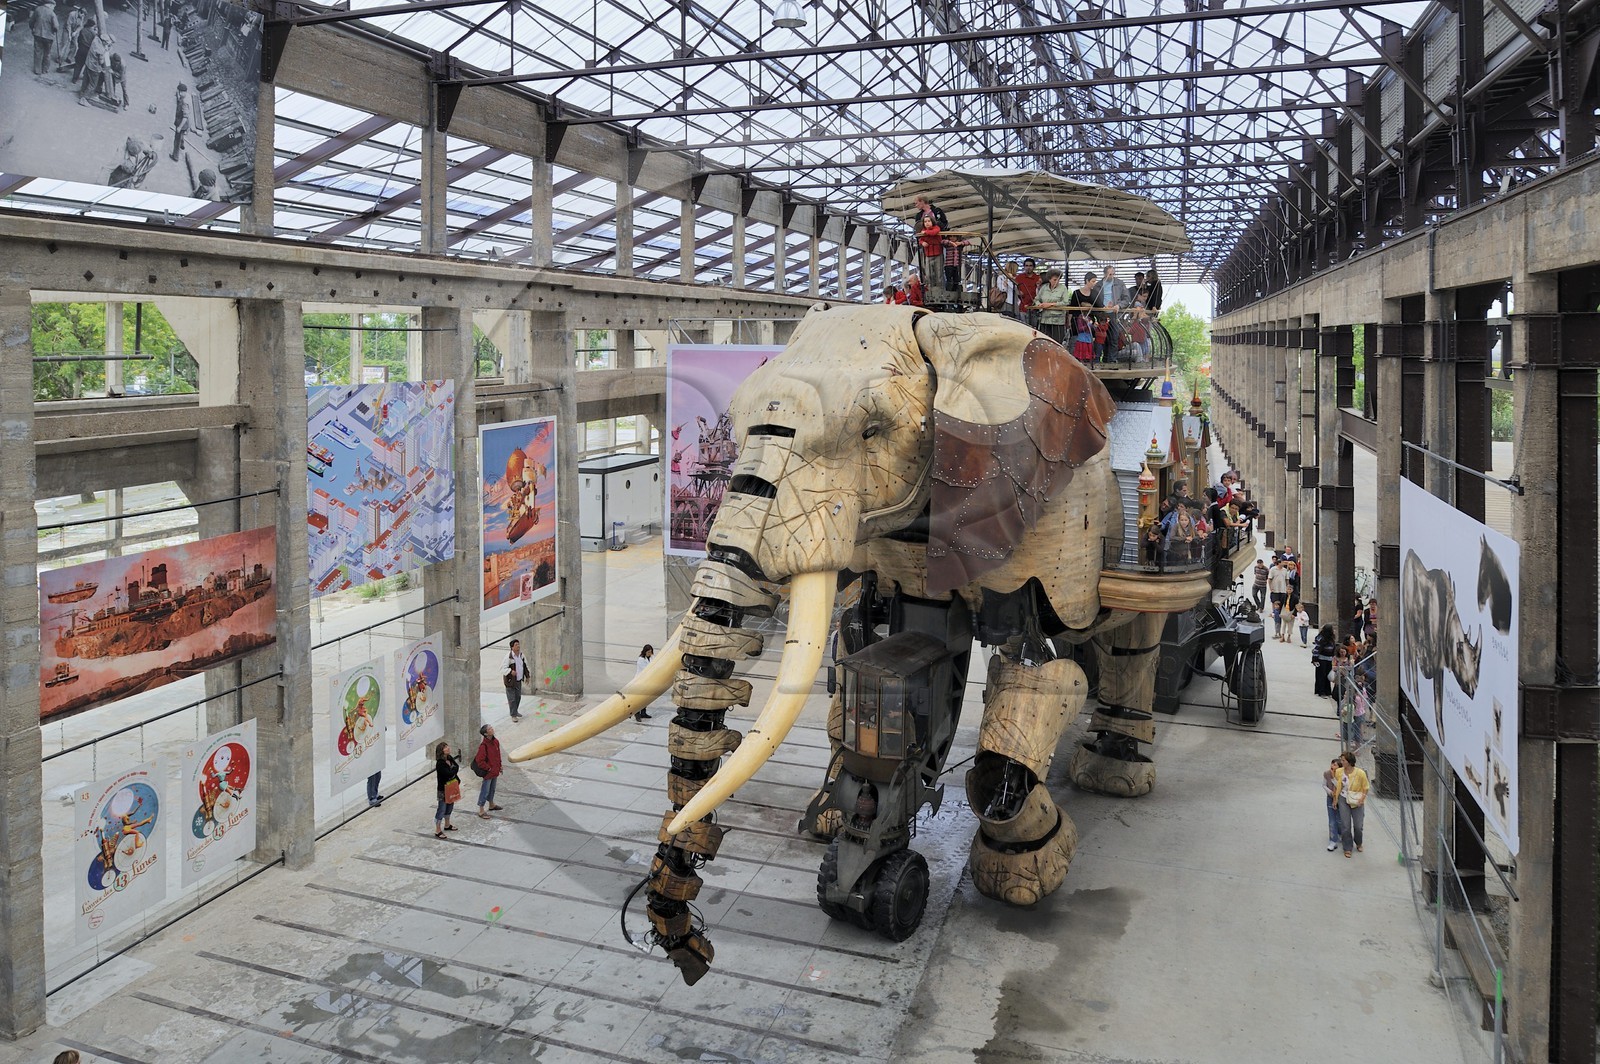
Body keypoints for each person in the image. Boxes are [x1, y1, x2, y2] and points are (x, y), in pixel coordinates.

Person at [1335, 751, 1369, 857]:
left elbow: (1366, 787)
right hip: (1343, 799)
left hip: (1356, 801)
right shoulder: (1339, 772)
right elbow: (1337, 785)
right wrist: (1335, 800)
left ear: (1349, 762)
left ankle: (1358, 842)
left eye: (1343, 760)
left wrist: (1362, 799)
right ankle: (1347, 847)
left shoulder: (1360, 773)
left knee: (1358, 826)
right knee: (1345, 825)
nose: (1341, 762)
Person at [473, 724, 503, 817]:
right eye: (489, 729)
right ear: (486, 733)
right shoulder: (483, 746)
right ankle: (481, 810)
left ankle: (491, 804)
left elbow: (498, 755)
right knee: (485, 790)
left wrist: (500, 766)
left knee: (492, 789)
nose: (492, 729)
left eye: (491, 727)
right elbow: (479, 760)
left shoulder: (496, 741)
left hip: (495, 770)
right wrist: (489, 768)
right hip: (489, 773)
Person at [1034, 269, 1071, 343]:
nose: (1056, 282)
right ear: (1049, 279)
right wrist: (1040, 305)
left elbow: (1065, 302)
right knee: (1044, 342)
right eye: (1054, 280)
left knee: (1056, 342)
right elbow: (1036, 299)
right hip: (1044, 320)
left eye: (1058, 280)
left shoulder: (1063, 288)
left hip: (1058, 321)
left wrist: (1050, 304)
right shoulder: (1044, 288)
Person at [434, 741, 460, 838]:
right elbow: (448, 773)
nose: (448, 748)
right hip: (443, 789)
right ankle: (437, 829)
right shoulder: (440, 763)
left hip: (451, 786)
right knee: (441, 808)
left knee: (450, 806)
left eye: (447, 746)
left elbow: (456, 767)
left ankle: (447, 824)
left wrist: (452, 771)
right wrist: (453, 771)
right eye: (445, 747)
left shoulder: (449, 758)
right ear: (441, 751)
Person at [29, 1, 59, 76]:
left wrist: (32, 28)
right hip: (48, 37)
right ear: (50, 5)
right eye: (53, 6)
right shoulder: (52, 14)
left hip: (38, 34)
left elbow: (31, 21)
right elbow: (56, 26)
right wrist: (55, 30)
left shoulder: (38, 9)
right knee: (47, 53)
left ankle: (37, 70)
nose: (53, 8)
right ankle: (45, 69)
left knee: (38, 52)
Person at [1267, 558, 1291, 640]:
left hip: (1283, 590)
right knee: (1275, 602)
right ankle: (1275, 613)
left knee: (1282, 604)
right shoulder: (1273, 569)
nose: (1284, 563)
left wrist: (1287, 588)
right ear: (1279, 563)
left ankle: (1281, 612)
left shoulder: (1285, 570)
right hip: (1275, 589)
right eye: (1283, 562)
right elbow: (1269, 579)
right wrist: (1270, 587)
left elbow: (1287, 580)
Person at [1322, 757, 1343, 852]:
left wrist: (1334, 777)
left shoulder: (1342, 775)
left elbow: (1339, 786)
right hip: (1330, 798)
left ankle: (1340, 833)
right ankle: (1332, 840)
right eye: (1332, 764)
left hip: (1340, 799)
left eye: (1335, 765)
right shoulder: (1326, 774)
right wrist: (1330, 792)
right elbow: (1324, 785)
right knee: (1332, 820)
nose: (1332, 766)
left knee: (1339, 819)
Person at [503, 638, 526, 720]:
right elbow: (503, 669)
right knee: (512, 699)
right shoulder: (508, 657)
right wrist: (510, 671)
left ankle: (515, 711)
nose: (518, 646)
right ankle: (513, 715)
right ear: (512, 647)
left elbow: (524, 666)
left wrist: (527, 676)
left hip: (518, 680)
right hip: (510, 682)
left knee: (518, 697)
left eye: (518, 644)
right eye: (516, 645)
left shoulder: (521, 655)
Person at [1015, 258, 1042, 328]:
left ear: (1033, 267)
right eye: (1026, 266)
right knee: (1023, 328)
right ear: (1024, 267)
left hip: (1035, 308)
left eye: (1030, 265)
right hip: (1022, 307)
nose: (1028, 267)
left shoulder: (1038, 278)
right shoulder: (1019, 277)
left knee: (1034, 328)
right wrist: (1018, 292)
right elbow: (1014, 288)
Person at [1312, 624, 1337, 697]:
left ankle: (1327, 691)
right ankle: (1321, 691)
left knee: (1328, 676)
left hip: (1329, 659)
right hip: (1321, 660)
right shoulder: (1321, 639)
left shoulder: (1331, 638)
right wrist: (1315, 659)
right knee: (1321, 676)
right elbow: (1316, 649)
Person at [169, 82, 192, 162]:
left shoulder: (184, 102)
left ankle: (175, 156)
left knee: (177, 140)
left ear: (182, 92)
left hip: (182, 123)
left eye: (178, 92)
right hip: (185, 124)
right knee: (181, 136)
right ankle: (182, 145)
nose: (177, 93)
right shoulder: (186, 96)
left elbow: (185, 117)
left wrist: (179, 127)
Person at [633, 643, 655, 721]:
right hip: (641, 681)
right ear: (645, 652)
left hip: (648, 681)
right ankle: (637, 713)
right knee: (639, 698)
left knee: (645, 698)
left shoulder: (651, 657)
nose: (650, 653)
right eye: (648, 652)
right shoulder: (641, 660)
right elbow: (647, 670)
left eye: (651, 652)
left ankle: (643, 712)